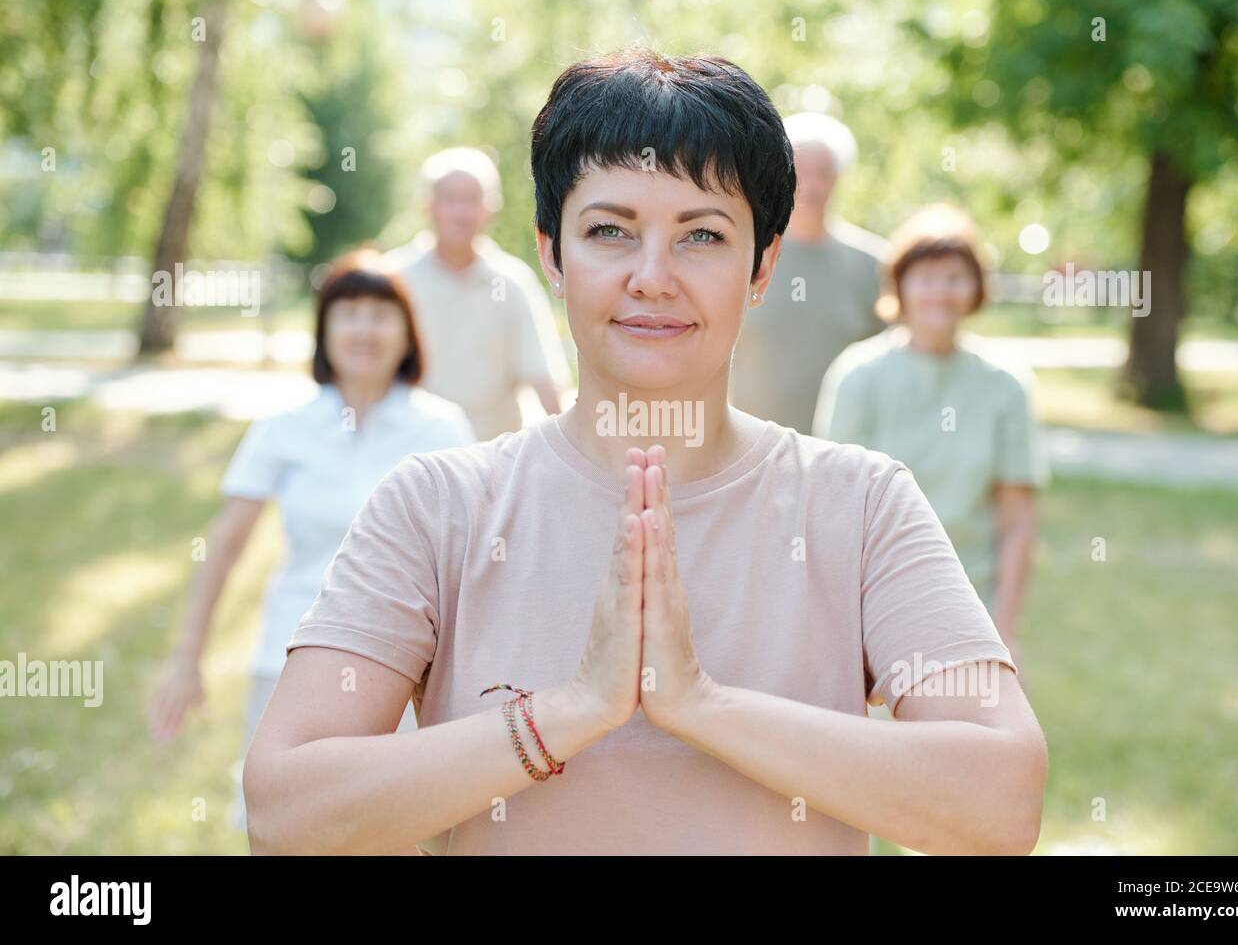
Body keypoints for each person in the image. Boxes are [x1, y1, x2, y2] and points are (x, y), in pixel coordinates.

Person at [244, 49, 1047, 856]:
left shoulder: (860, 503)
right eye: (609, 232)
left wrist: (701, 705)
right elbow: (286, 818)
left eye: (701, 234)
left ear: (763, 264)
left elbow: (999, 805)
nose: (653, 277)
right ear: (552, 255)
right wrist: (572, 710)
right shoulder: (436, 504)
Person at [147, 249, 475, 834]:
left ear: (408, 333)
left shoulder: (442, 428)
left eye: (381, 313)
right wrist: (186, 658)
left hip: (404, 670)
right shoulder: (283, 428)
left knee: (391, 828)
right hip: (289, 657)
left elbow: (471, 562)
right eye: (347, 313)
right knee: (285, 826)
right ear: (324, 331)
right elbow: (225, 546)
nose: (364, 328)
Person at [814, 204, 1050, 675]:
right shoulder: (857, 376)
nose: (939, 292)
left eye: (954, 277)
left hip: (972, 610)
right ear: (899, 285)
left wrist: (1004, 631)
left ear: (976, 288)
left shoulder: (1006, 385)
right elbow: (833, 509)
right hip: (876, 607)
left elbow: (1018, 520)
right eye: (925, 277)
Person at [385, 147, 572, 439]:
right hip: (409, 460)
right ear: (427, 205)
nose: (462, 212)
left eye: (473, 200)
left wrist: (569, 455)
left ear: (492, 207)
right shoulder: (393, 279)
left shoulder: (513, 283)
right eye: (450, 199)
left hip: (489, 465)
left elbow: (544, 378)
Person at [728, 111, 888, 434]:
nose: (811, 186)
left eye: (823, 173)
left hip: (845, 455)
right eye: (801, 172)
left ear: (838, 179)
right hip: (753, 453)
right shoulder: (744, 256)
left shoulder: (874, 265)